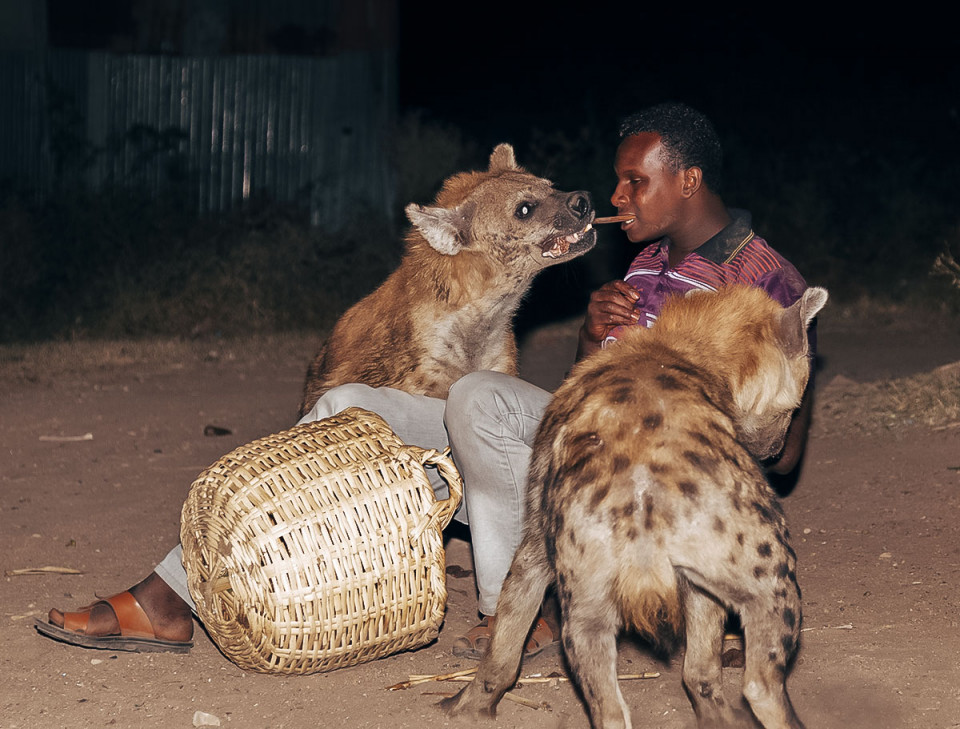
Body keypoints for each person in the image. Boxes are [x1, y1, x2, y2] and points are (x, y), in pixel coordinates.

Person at [37, 102, 815, 661]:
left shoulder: (767, 280)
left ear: (687, 180)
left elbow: (779, 453)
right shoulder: (645, 265)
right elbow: (581, 391)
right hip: (578, 448)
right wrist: (591, 333)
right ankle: (176, 588)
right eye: (616, 183)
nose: (610, 199)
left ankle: (518, 607)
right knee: (343, 405)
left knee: (475, 395)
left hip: (649, 484)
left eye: (632, 183)